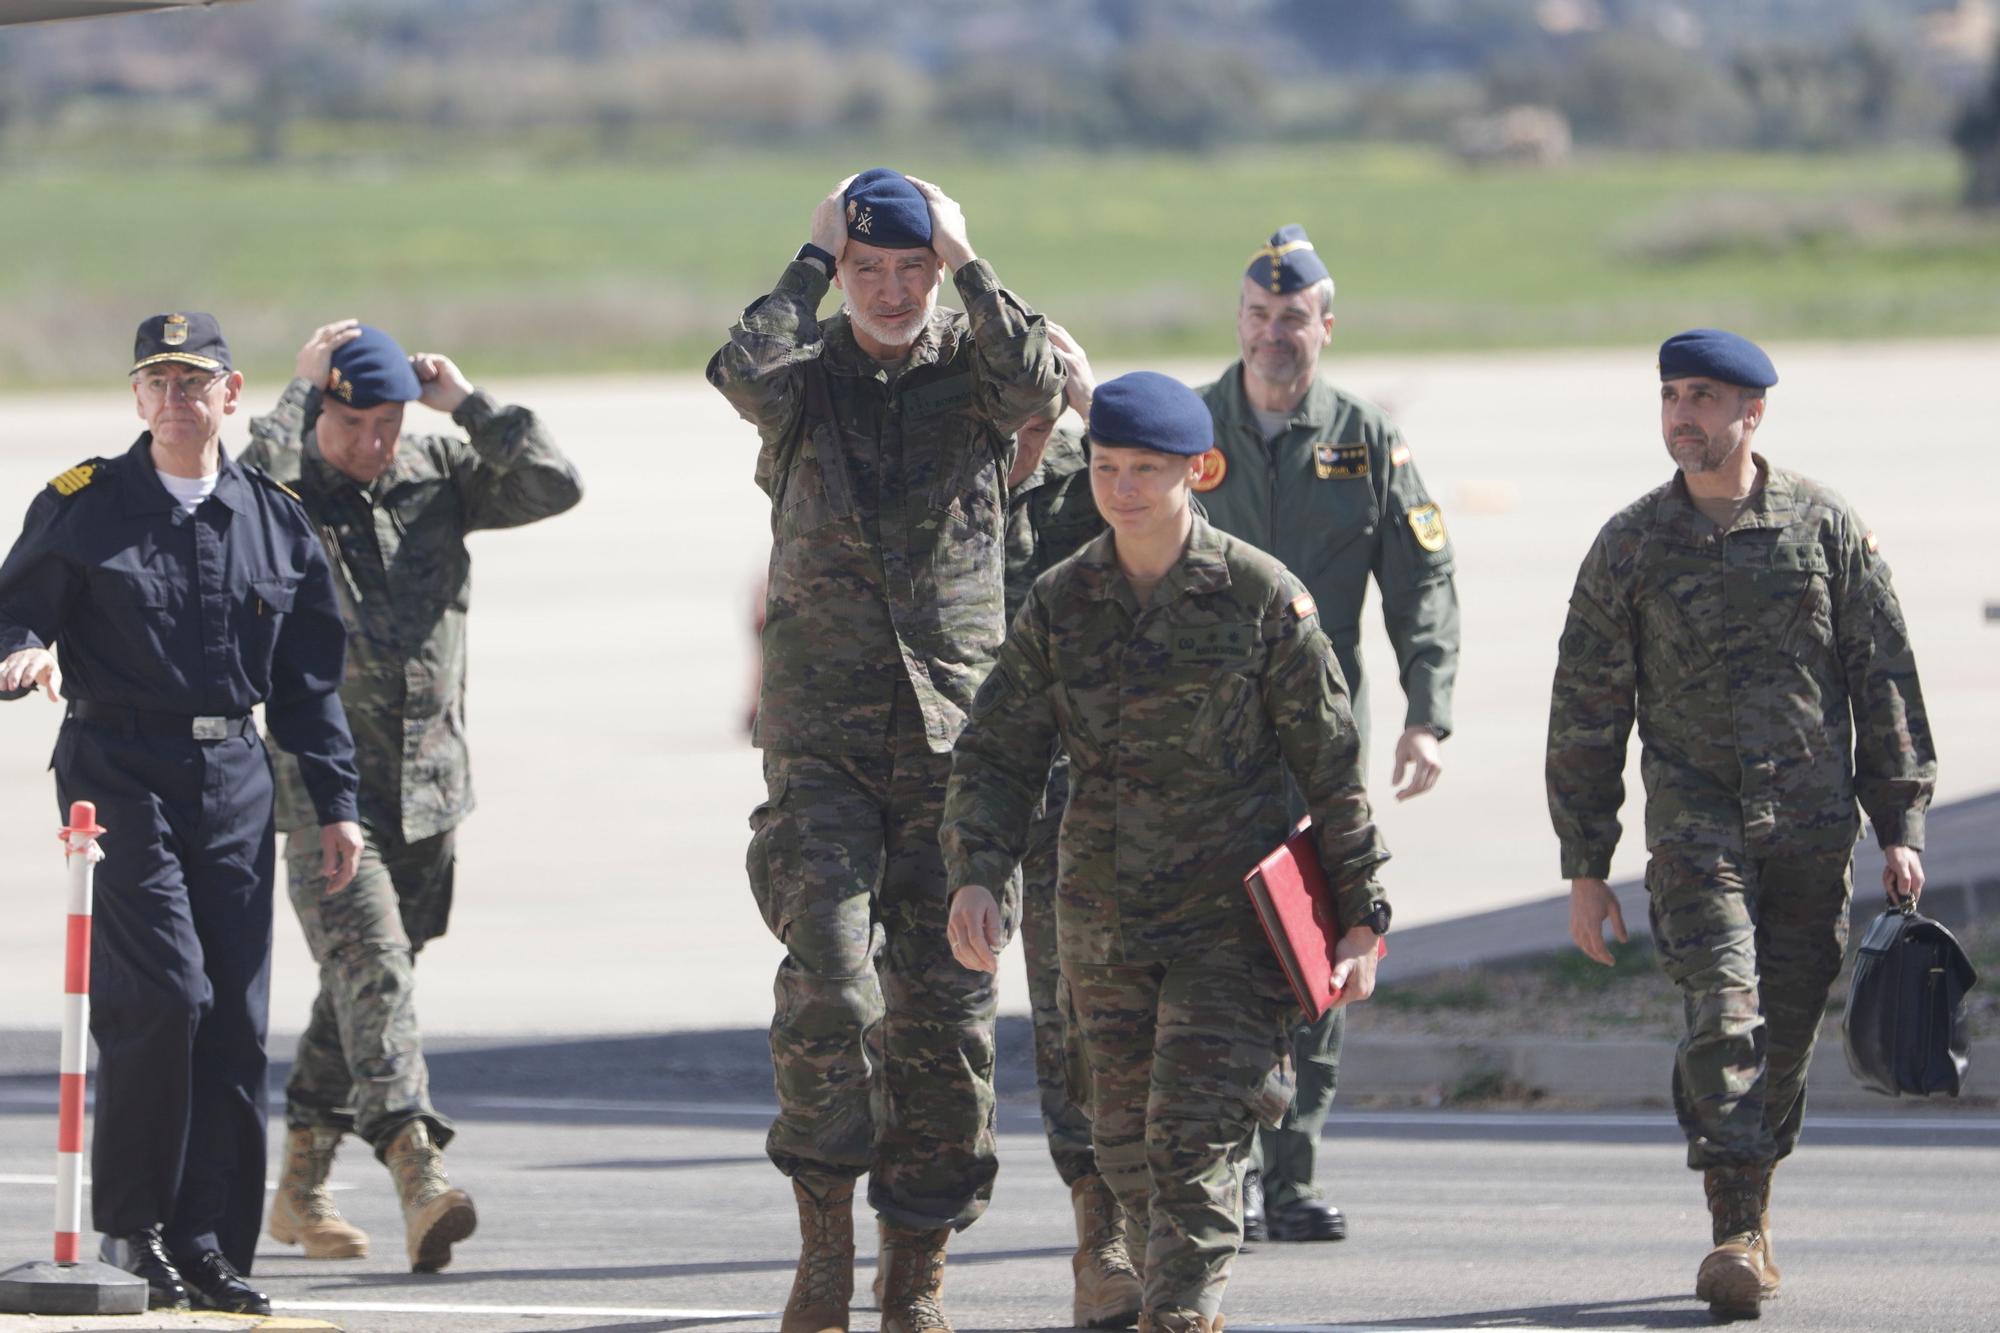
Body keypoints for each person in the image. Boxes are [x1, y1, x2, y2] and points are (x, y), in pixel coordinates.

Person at [942, 371, 1393, 1333]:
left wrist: (1362, 917)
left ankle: (1180, 1317)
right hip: (1100, 925)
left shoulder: (1261, 597)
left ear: (1198, 469)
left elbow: (1332, 769)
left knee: (1190, 1142)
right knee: (1123, 1146)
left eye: (1147, 468)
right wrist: (978, 871)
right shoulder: (1065, 602)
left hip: (1228, 926)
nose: (1124, 487)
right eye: (1108, 466)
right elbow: (996, 752)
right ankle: (1174, 1295)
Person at [706, 167, 1060, 1333]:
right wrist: (809, 256)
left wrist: (968, 254)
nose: (895, 291)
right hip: (821, 750)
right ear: (843, 274)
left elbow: (1035, 378)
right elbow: (736, 367)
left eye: (911, 270)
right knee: (826, 980)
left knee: (947, 1016)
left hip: (956, 745)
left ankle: (914, 1268)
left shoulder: (974, 376)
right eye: (872, 271)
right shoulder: (803, 386)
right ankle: (820, 1246)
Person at [1546, 328, 1936, 1319]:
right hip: (1694, 827)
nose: (1682, 412)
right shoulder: (1629, 543)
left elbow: (1879, 674)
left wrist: (1899, 825)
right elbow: (1585, 708)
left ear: (1750, 411)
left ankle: (1752, 1212)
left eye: (1703, 396)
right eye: (1670, 394)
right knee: (1724, 1017)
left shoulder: (1819, 527)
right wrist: (1584, 864)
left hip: (1810, 827)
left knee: (1786, 1036)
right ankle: (1731, 1234)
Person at [0, 313, 361, 1315]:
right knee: (163, 994)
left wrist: (336, 802)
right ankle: (135, 1224)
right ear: (136, 397)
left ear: (231, 395)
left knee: (235, 1024)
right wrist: (21, 652)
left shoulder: (273, 518)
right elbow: (15, 606)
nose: (172, 400)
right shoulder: (85, 503)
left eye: (191, 382)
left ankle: (208, 1244)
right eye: (154, 382)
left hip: (234, 776)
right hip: (115, 769)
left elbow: (306, 683)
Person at [241, 320, 582, 1273]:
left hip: (430, 788)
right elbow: (229, 504)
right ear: (322, 415)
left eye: (388, 422)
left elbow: (554, 482)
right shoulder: (284, 490)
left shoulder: (436, 470)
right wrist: (294, 398)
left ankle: (300, 1186)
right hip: (322, 789)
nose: (376, 443)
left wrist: (467, 405)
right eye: (356, 424)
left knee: (366, 982)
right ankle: (415, 1165)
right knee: (377, 972)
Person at [1194, 224, 1458, 1242]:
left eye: (1292, 319)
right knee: (1207, 953)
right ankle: (1213, 1171)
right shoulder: (1188, 431)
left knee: (1317, 952)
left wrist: (1427, 712)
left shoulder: (1364, 443)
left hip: (1315, 740)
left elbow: (1422, 578)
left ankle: (1289, 1175)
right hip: (1197, 743)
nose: (1273, 335)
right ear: (1238, 323)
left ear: (1325, 327)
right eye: (1257, 318)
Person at [998, 329, 1140, 1328]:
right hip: (925, 786)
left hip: (1059, 797)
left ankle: (1102, 1231)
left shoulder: (1087, 479)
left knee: (1072, 1020)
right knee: (907, 1021)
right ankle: (900, 1246)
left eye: (1040, 393)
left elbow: (1180, 526)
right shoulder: (928, 465)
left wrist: (1097, 407)